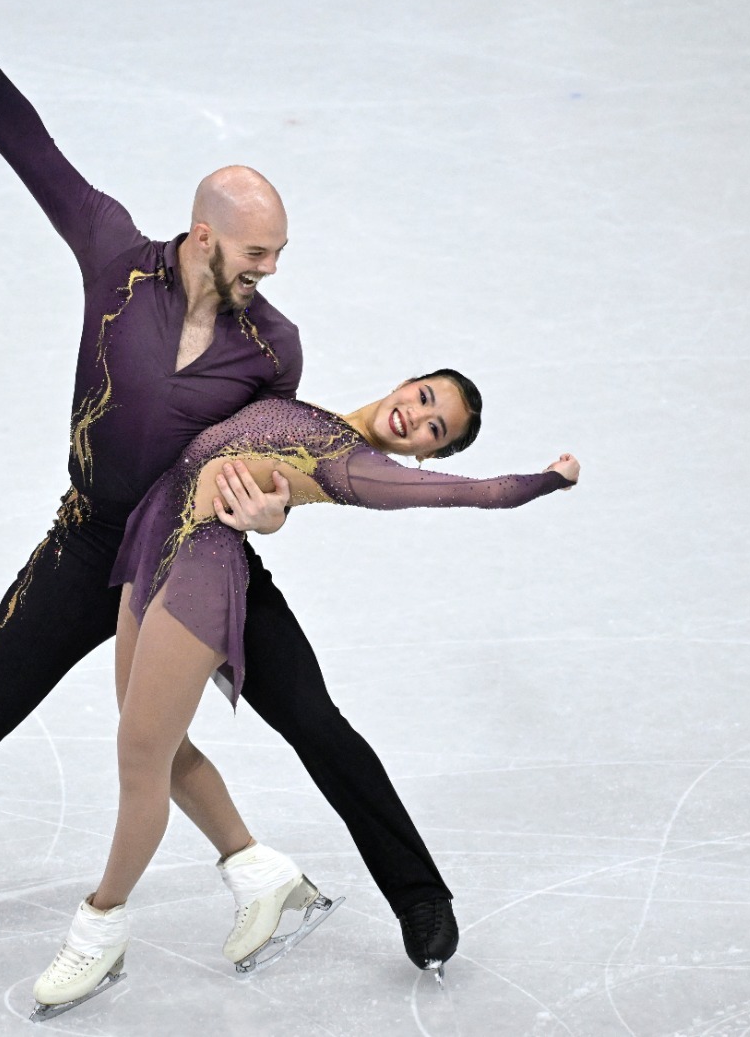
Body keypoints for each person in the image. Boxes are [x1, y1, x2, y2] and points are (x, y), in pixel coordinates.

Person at [0, 0, 463, 981]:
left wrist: (265, 517)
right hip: (86, 548)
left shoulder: (273, 347)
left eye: (278, 255)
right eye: (257, 252)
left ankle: (420, 899)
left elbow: (271, 463)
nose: (272, 270)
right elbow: (35, 152)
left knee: (315, 720)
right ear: (205, 236)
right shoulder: (114, 258)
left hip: (197, 559)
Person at [31, 376, 580, 1017]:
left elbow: (473, 493)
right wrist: (273, 511)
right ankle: (260, 876)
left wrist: (550, 480)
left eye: (436, 429)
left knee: (176, 751)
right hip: (151, 554)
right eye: (426, 396)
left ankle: (103, 927)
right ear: (407, 381)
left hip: (201, 573)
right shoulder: (304, 407)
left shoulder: (359, 467)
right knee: (155, 742)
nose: (417, 415)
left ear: (427, 455)